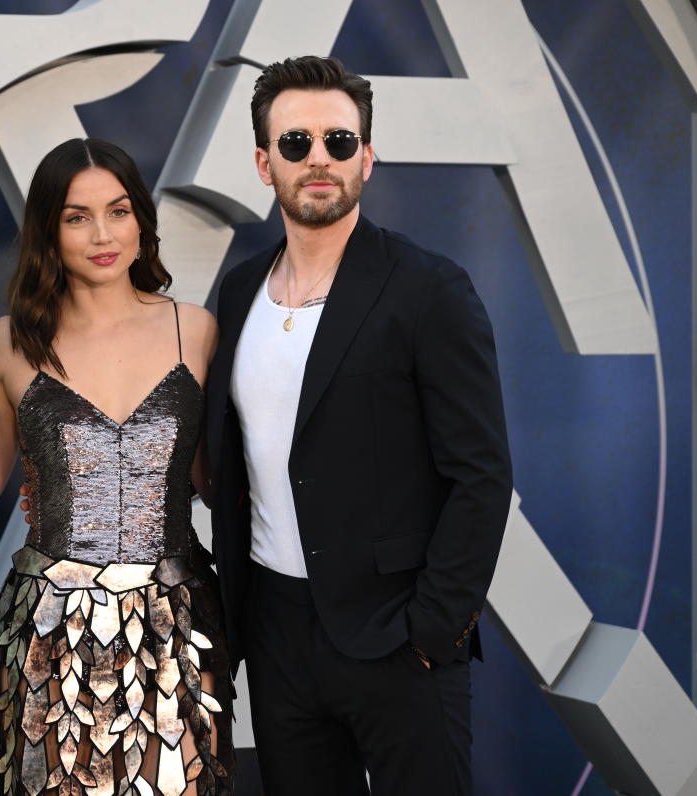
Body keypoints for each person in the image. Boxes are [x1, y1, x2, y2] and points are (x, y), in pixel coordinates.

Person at [205, 56, 512, 794]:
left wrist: (432, 632)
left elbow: (482, 474)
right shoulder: (240, 288)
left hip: (398, 636)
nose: (319, 159)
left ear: (367, 159)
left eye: (340, 143)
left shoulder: (428, 288)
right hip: (278, 636)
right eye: (296, 143)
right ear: (262, 161)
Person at [0, 138, 232, 795]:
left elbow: (220, 484)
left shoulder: (195, 330)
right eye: (76, 216)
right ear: (46, 232)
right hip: (47, 632)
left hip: (177, 625)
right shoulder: (6, 343)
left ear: (142, 220)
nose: (102, 234)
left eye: (118, 211)